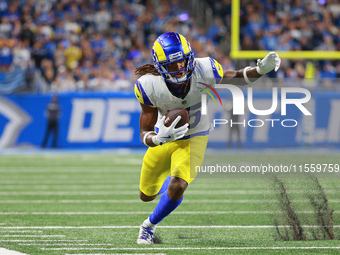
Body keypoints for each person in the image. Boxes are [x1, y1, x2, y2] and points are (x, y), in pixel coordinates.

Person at [134, 32, 281, 244]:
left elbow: (236, 77)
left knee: (178, 186)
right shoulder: (148, 85)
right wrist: (157, 138)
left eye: (181, 61)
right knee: (146, 196)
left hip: (195, 136)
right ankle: (169, 180)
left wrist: (260, 70)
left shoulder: (204, 69)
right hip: (164, 140)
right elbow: (144, 130)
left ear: (190, 57)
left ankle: (148, 226)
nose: (178, 68)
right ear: (160, 66)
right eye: (171, 65)